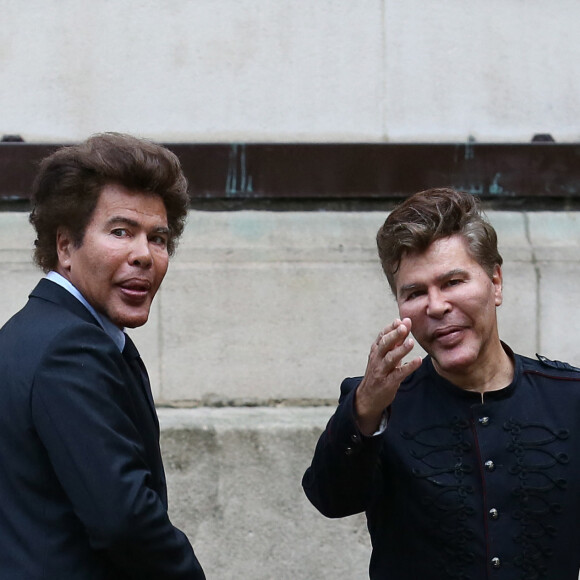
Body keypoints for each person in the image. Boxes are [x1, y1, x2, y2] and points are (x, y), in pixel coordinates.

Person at [302, 188, 580, 579]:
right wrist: (365, 410)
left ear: (495, 282)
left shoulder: (569, 398)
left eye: (452, 282)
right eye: (415, 292)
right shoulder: (379, 405)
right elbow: (331, 499)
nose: (435, 306)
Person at [0, 133, 205, 579]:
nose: (144, 256)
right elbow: (124, 520)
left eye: (158, 238)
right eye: (120, 232)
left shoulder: (34, 333)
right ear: (66, 246)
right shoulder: (69, 348)